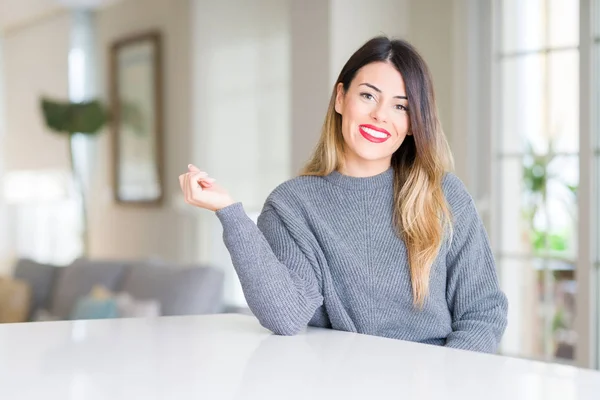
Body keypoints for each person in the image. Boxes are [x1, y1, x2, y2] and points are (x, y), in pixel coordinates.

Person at [179, 36, 508, 353]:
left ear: (411, 123)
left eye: (400, 106)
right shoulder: (291, 206)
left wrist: (447, 383)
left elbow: (483, 313)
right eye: (368, 96)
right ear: (340, 98)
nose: (380, 114)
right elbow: (286, 315)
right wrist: (230, 213)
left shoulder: (444, 194)